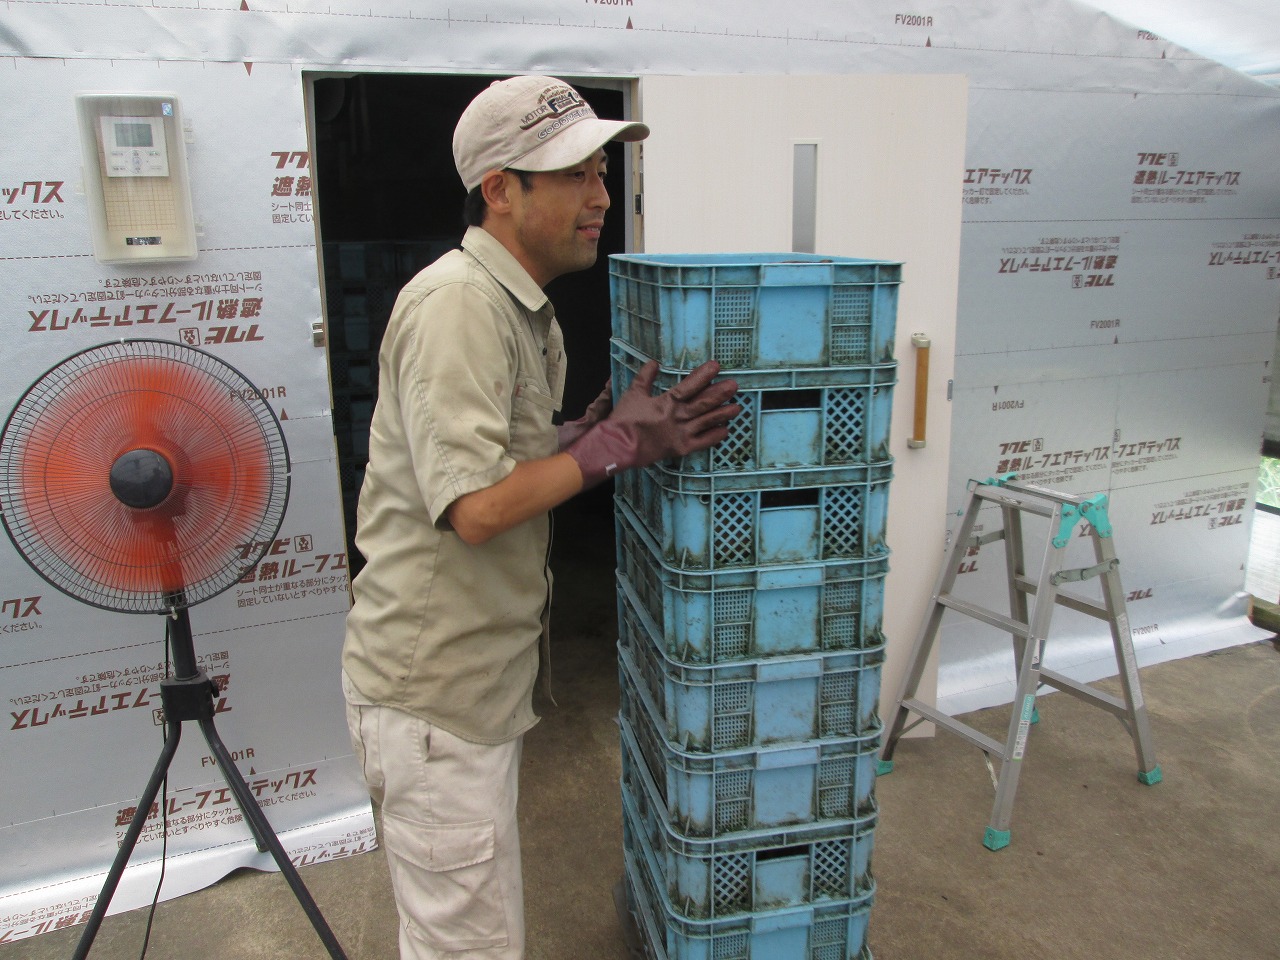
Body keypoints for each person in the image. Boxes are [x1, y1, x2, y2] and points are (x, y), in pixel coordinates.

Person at [340, 75, 742, 960]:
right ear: (500, 190)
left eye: (601, 172)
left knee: (474, 925)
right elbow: (478, 509)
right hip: (434, 698)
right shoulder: (459, 308)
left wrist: (581, 432)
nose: (600, 197)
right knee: (466, 947)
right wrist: (610, 451)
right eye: (573, 175)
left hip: (472, 693)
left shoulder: (522, 308)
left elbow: (492, 454)